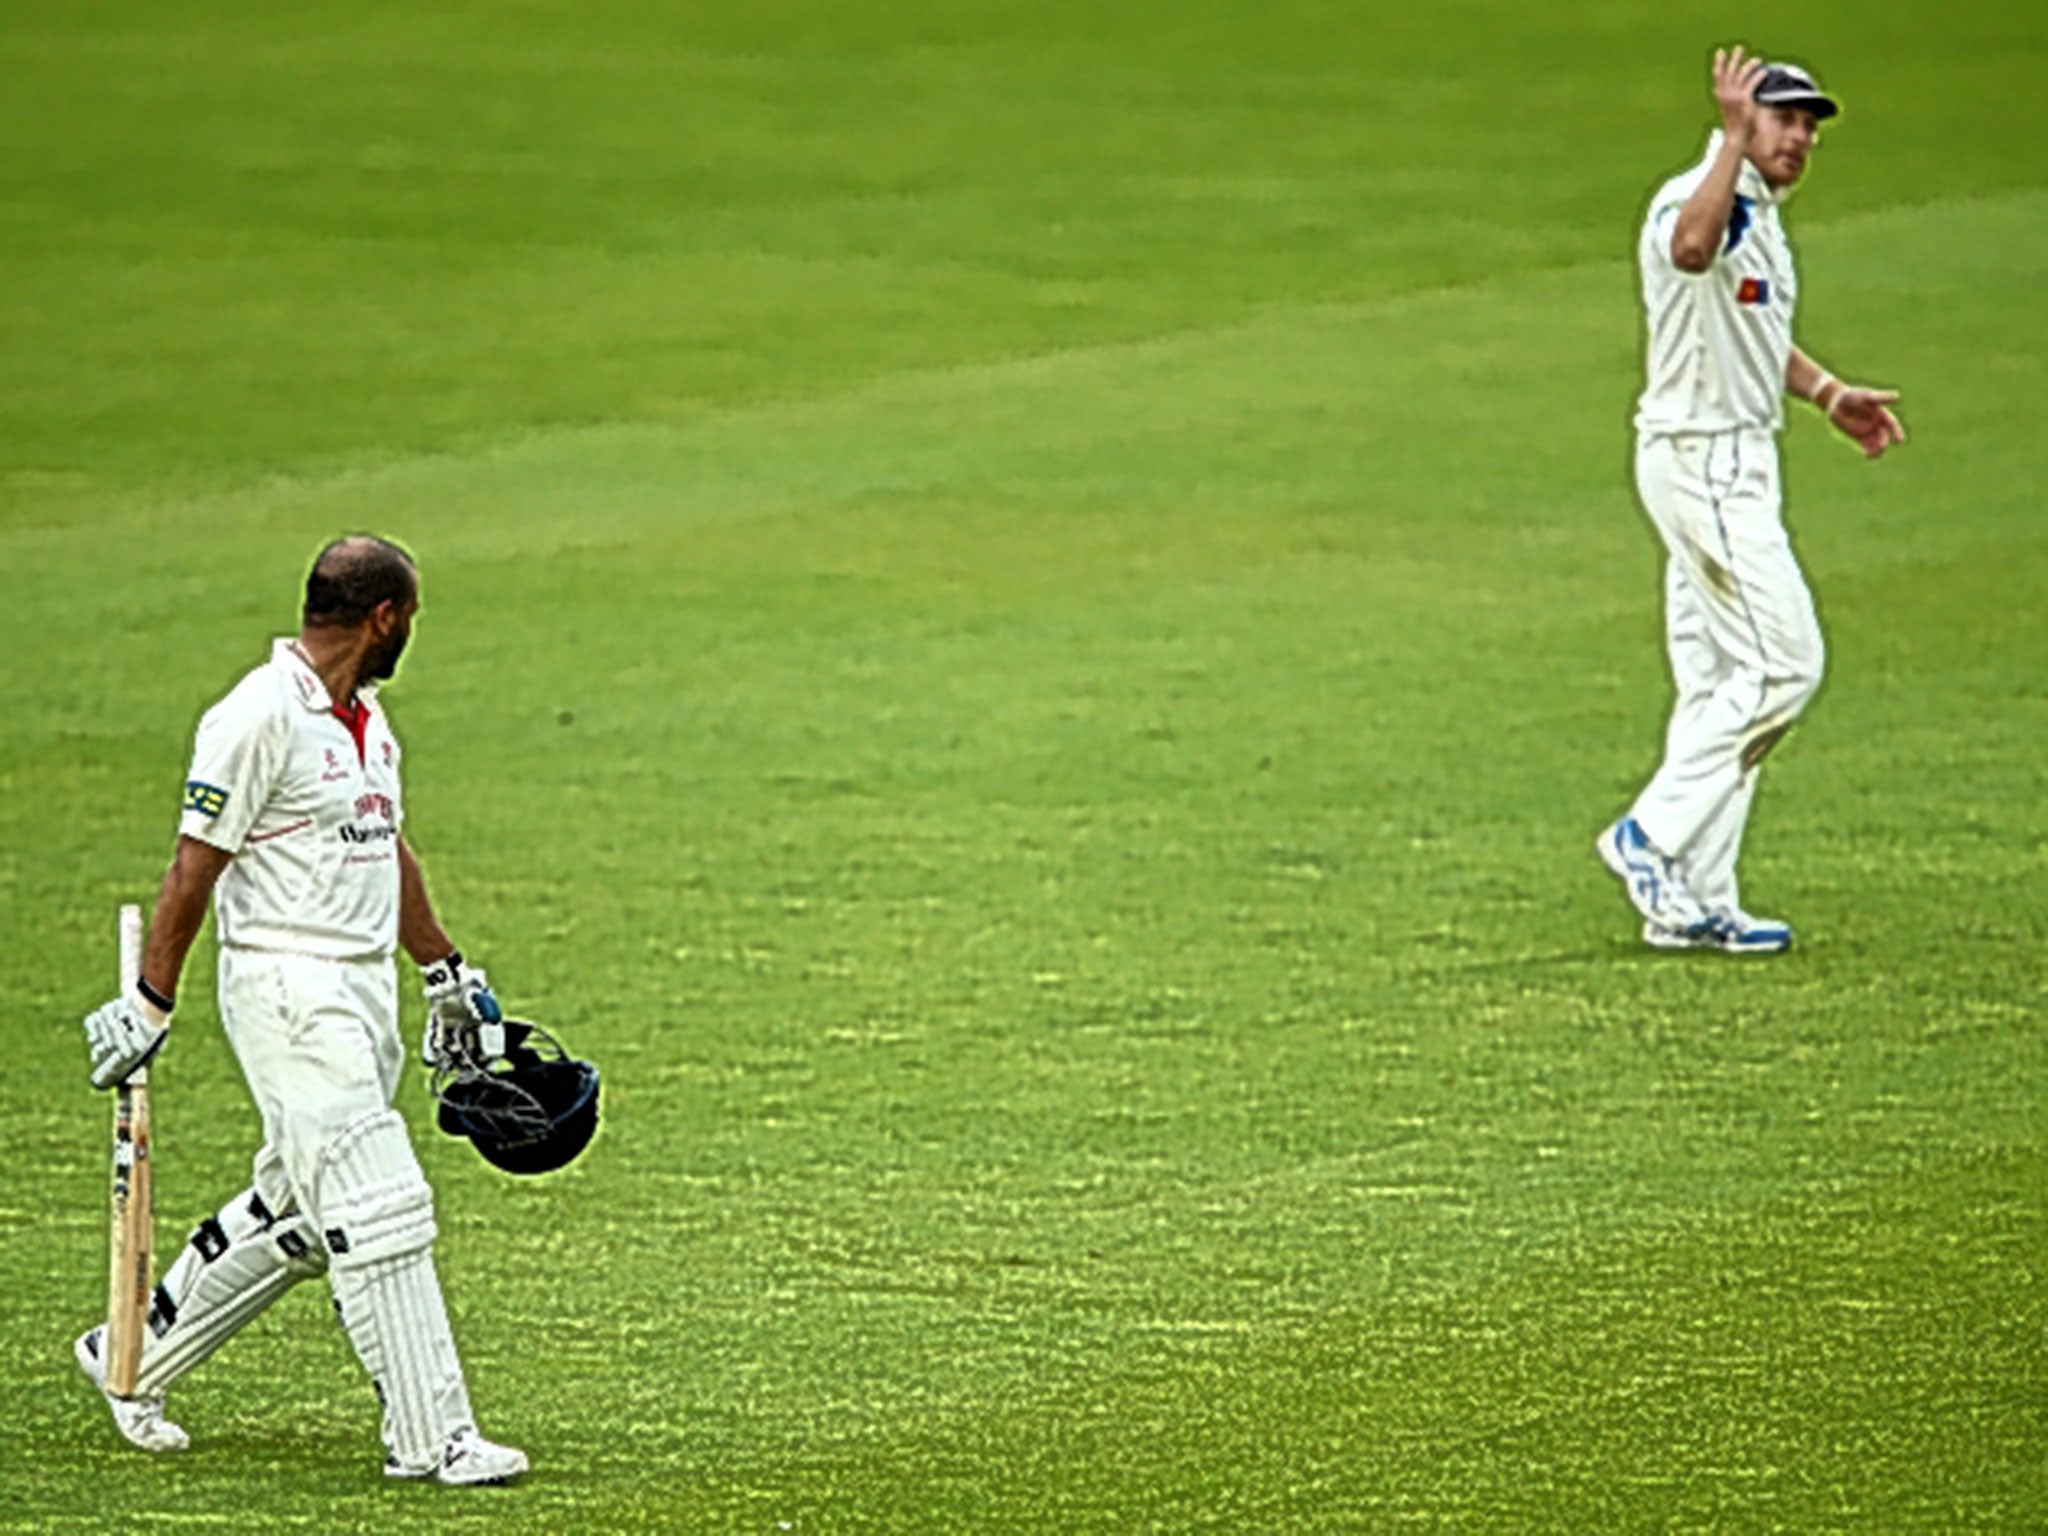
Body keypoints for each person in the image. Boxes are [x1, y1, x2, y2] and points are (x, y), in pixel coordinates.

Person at [78, 535, 529, 1484]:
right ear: (384, 618)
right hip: (288, 989)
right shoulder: (255, 718)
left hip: (361, 990)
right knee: (378, 1202)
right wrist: (152, 1004)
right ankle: (433, 1437)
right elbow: (192, 867)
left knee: (299, 1209)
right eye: (411, 617)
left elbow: (384, 846)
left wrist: (442, 968)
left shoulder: (366, 717)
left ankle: (131, 1351)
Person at [1597, 47, 1905, 954]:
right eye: (1785, 119)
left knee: (1717, 679)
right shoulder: (1711, 197)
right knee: (1785, 665)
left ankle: (1695, 897)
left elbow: (1756, 327)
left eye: (1810, 125)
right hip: (1705, 466)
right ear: (1743, 119)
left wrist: (1827, 393)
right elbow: (1691, 250)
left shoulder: (1759, 215)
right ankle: (1648, 836)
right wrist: (1731, 143)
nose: (1801, 138)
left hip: (1732, 462)